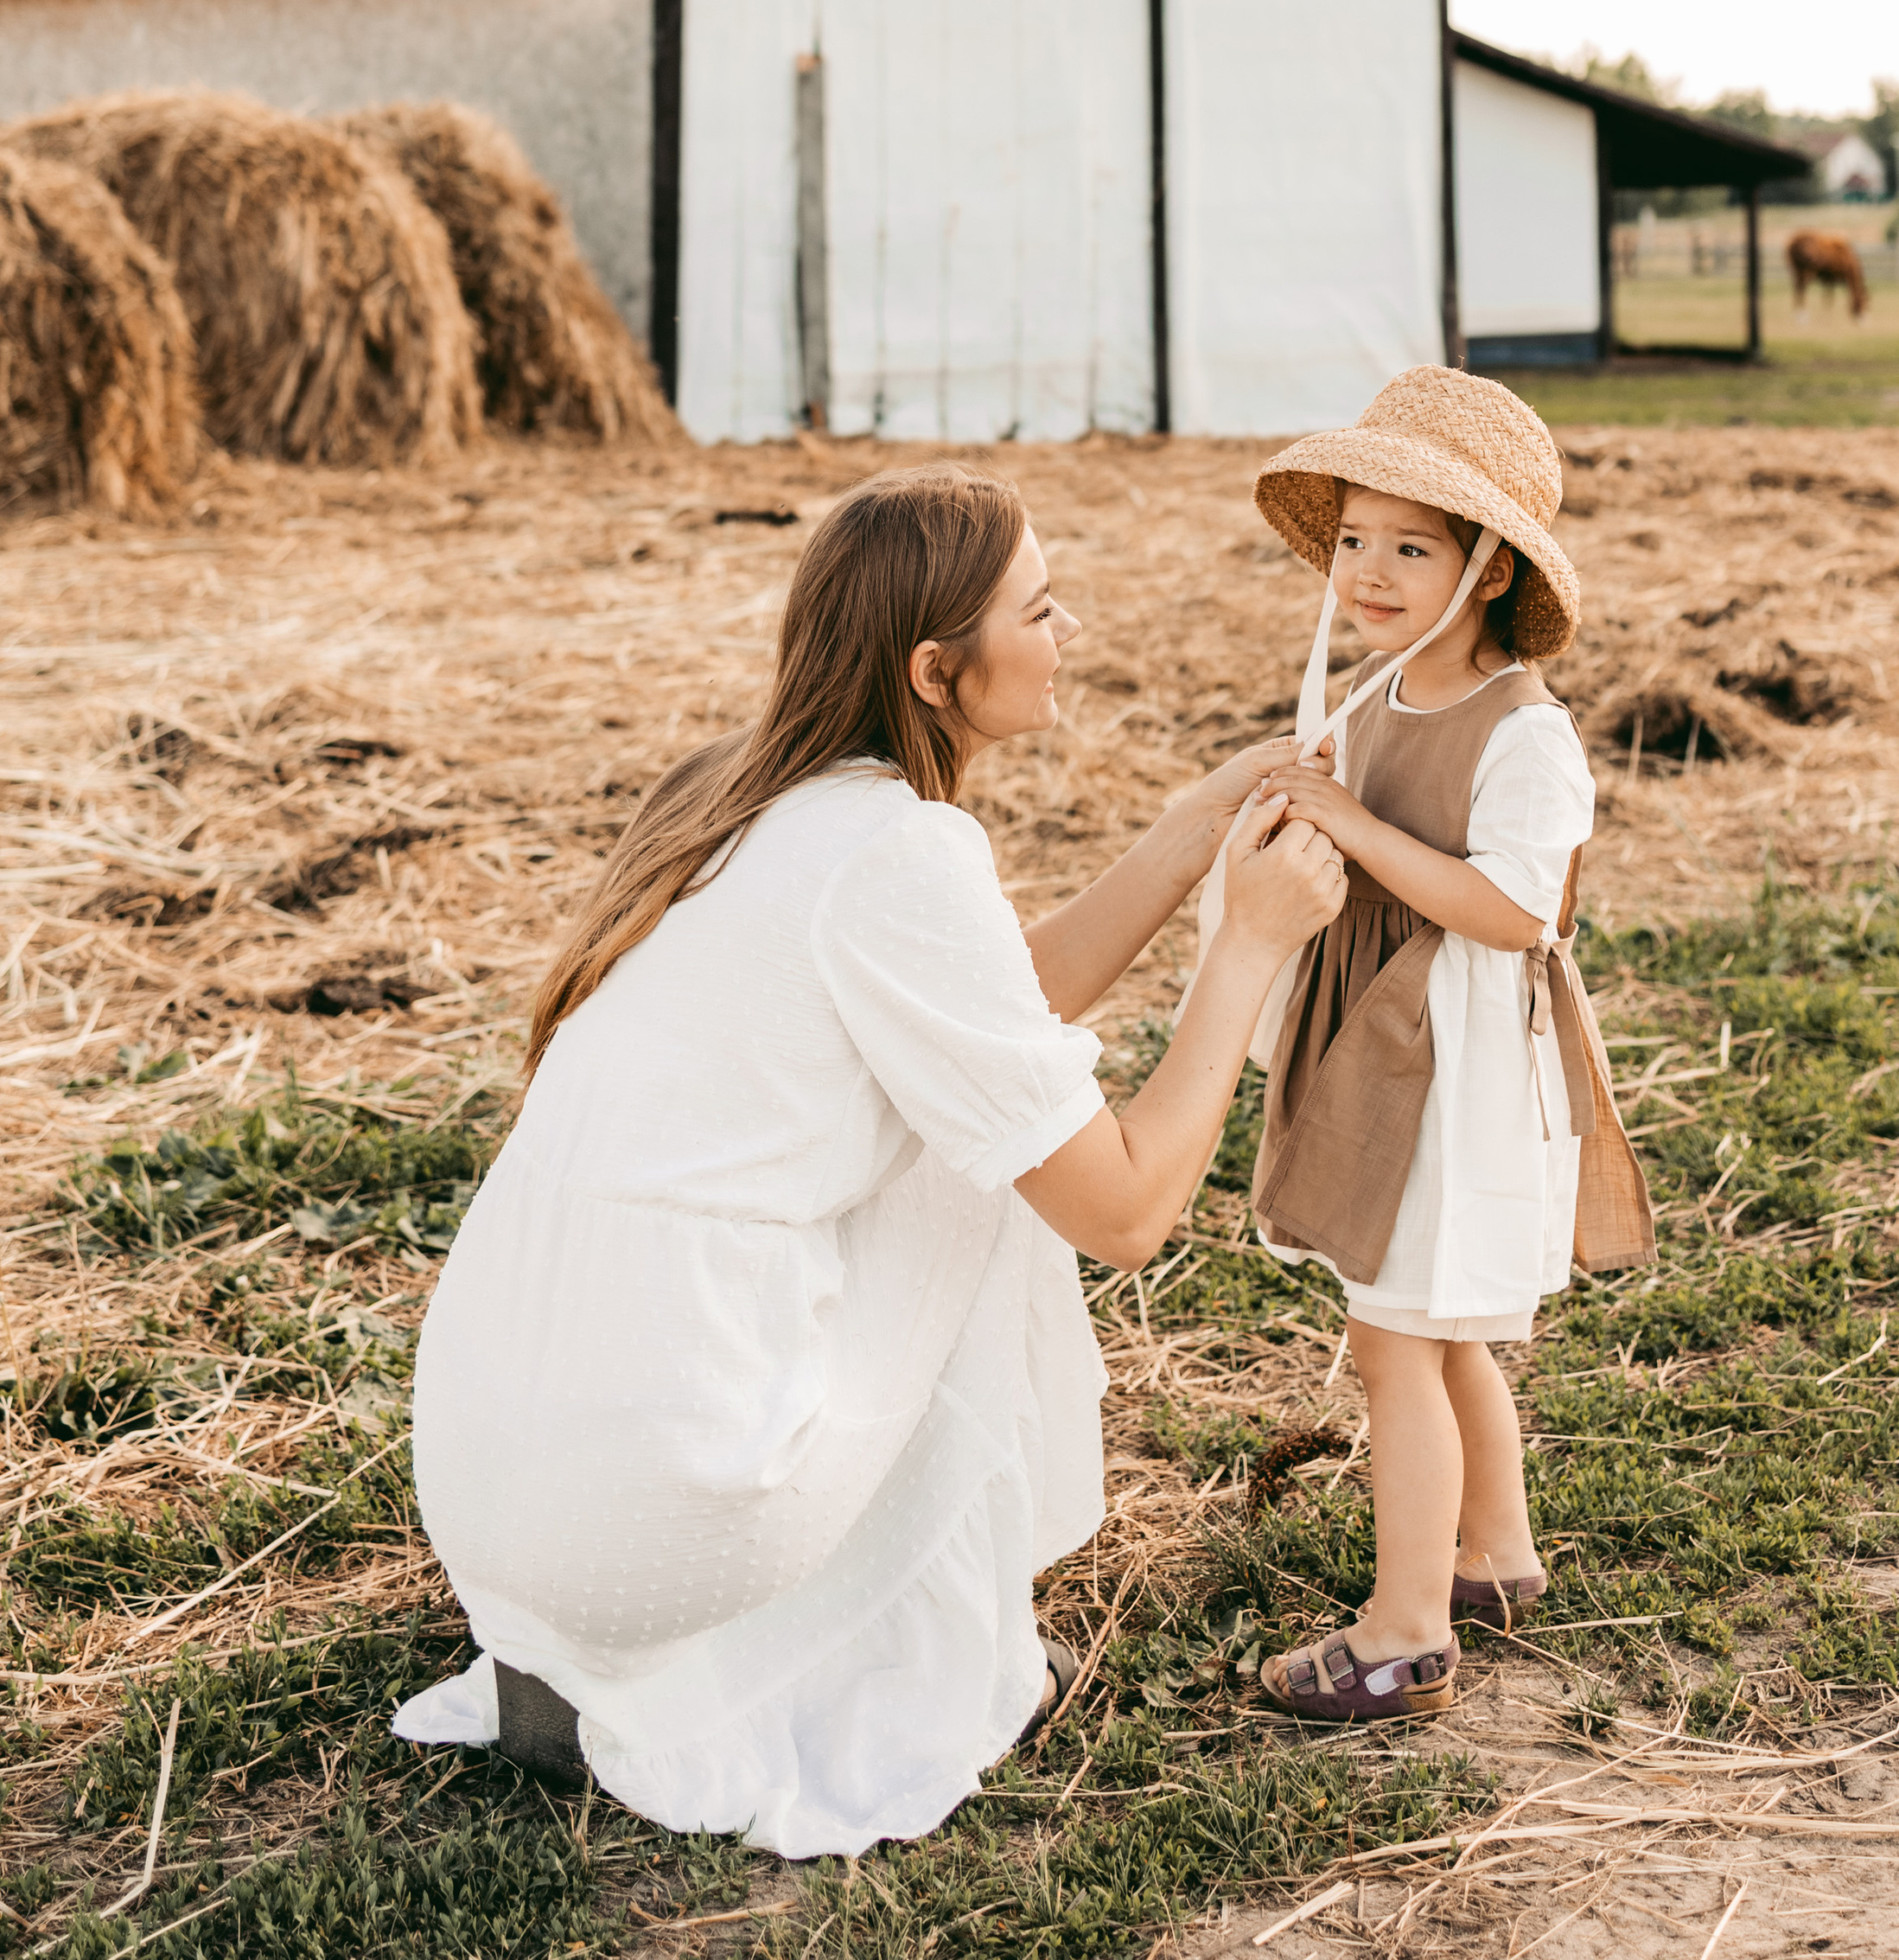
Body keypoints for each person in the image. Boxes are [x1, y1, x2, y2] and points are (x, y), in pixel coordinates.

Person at [392, 463, 1341, 1855]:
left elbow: (982, 1007)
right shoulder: (900, 852)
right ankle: (941, 1658)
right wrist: (1249, 945)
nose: (1068, 626)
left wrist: (1191, 836)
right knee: (1000, 1161)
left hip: (501, 1488)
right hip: (663, 1504)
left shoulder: (736, 798)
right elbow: (1126, 1208)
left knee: (986, 1106)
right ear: (937, 671)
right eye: (1041, 606)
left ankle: (612, 1661)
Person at [1212, 367, 1653, 1725]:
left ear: (1489, 566)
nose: (1371, 572)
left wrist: (1350, 830)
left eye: (1414, 545)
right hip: (1378, 1045)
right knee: (1440, 1330)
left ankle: (1406, 1631)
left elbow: (1517, 912)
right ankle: (1494, 1556)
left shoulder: (1527, 733)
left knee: (1399, 1338)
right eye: (1354, 540)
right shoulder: (1374, 694)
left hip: (1454, 1072)